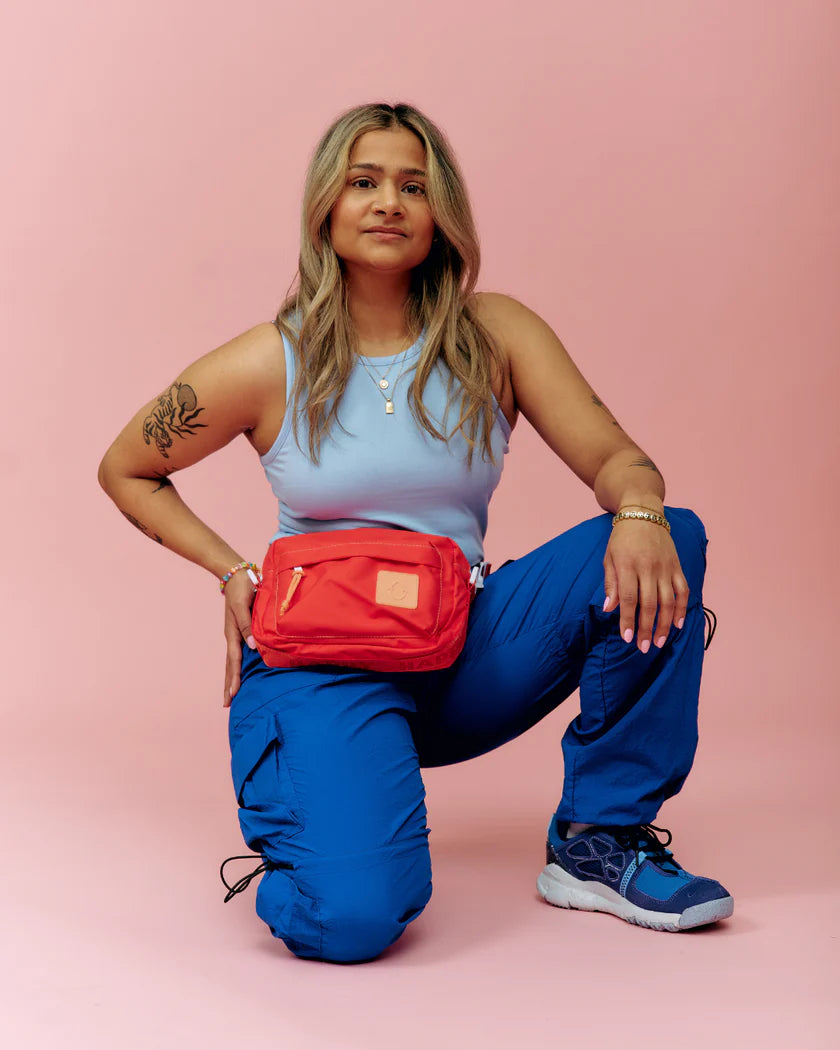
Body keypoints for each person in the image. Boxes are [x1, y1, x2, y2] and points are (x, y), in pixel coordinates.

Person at [98, 100, 733, 964]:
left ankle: (600, 840)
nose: (389, 202)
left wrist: (640, 506)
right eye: (364, 182)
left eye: (414, 186)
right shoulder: (268, 359)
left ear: (442, 215)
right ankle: (317, 827)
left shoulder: (495, 335)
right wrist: (230, 570)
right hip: (323, 665)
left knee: (668, 534)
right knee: (352, 920)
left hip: (462, 647)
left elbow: (617, 458)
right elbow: (127, 466)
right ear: (327, 206)